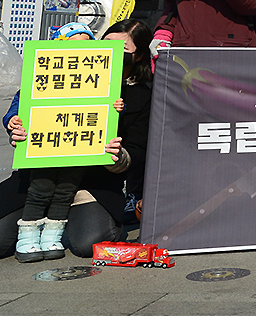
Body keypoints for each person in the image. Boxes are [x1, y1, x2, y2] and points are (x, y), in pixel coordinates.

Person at [2, 19, 153, 260]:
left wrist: (117, 156)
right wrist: (17, 129)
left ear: (139, 57)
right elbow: (24, 108)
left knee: (87, 244)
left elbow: (137, 152)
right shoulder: (55, 75)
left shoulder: (142, 95)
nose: (112, 54)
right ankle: (37, 226)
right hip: (38, 176)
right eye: (106, 46)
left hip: (93, 182)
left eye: (122, 51)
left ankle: (73, 222)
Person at [4, 24, 106, 261]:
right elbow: (19, 104)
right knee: (40, 188)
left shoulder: (95, 82)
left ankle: (52, 236)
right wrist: (13, 120)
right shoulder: (39, 79)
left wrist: (114, 108)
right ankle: (27, 238)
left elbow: (104, 106)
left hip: (77, 149)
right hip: (44, 149)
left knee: (65, 191)